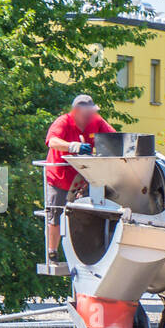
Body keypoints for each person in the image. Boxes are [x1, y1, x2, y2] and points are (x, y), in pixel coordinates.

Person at [43, 95, 115, 261]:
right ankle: (52, 251)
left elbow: (112, 137)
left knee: (87, 214)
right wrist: (72, 146)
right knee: (56, 215)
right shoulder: (63, 122)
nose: (89, 116)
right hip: (59, 178)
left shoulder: (96, 122)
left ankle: (87, 250)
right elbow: (52, 141)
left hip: (82, 178)